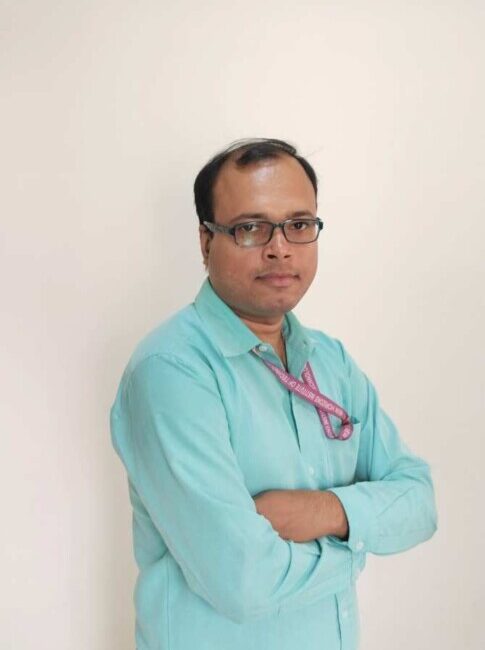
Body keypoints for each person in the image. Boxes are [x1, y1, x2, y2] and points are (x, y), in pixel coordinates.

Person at [110, 138, 438, 650]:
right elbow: (243, 580)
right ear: (205, 240)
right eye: (250, 228)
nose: (280, 247)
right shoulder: (172, 371)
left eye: (299, 224)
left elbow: (420, 502)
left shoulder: (331, 363)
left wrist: (329, 512)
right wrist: (362, 538)